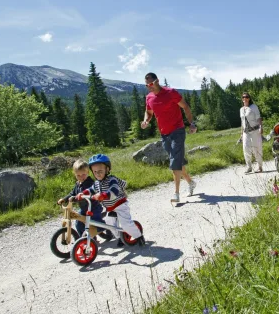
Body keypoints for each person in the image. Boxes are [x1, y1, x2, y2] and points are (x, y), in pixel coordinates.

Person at [140, 73, 197, 203]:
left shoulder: (171, 93)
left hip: (177, 131)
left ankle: (176, 194)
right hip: (164, 134)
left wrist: (192, 123)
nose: (149, 87)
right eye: (146, 85)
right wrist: (146, 121)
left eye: (151, 84)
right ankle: (190, 182)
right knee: (177, 161)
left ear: (157, 81)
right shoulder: (149, 97)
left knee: (174, 161)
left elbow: (185, 106)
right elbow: (149, 112)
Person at [80, 154, 145, 247]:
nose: (98, 174)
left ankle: (139, 236)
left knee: (126, 224)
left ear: (107, 169)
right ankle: (120, 238)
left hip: (120, 205)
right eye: (95, 171)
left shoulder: (112, 179)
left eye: (100, 171)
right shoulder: (97, 183)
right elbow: (91, 189)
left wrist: (104, 195)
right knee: (109, 223)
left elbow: (114, 190)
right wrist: (82, 193)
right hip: (110, 207)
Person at [57, 159, 105, 235]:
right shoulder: (78, 184)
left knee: (96, 222)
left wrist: (75, 198)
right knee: (78, 224)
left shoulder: (90, 183)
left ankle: (103, 228)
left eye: (83, 174)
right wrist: (64, 199)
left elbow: (86, 194)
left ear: (87, 172)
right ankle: (82, 240)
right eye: (78, 175)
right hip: (84, 209)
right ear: (75, 174)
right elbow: (72, 193)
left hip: (93, 207)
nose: (81, 177)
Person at [239, 92, 263, 173]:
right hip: (246, 132)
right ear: (242, 99)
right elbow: (242, 122)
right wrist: (241, 133)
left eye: (246, 97)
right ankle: (249, 166)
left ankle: (259, 166)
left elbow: (259, 118)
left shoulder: (253, 107)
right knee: (246, 148)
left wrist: (261, 127)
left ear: (249, 98)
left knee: (256, 148)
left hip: (255, 130)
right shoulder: (241, 109)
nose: (244, 99)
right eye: (243, 97)